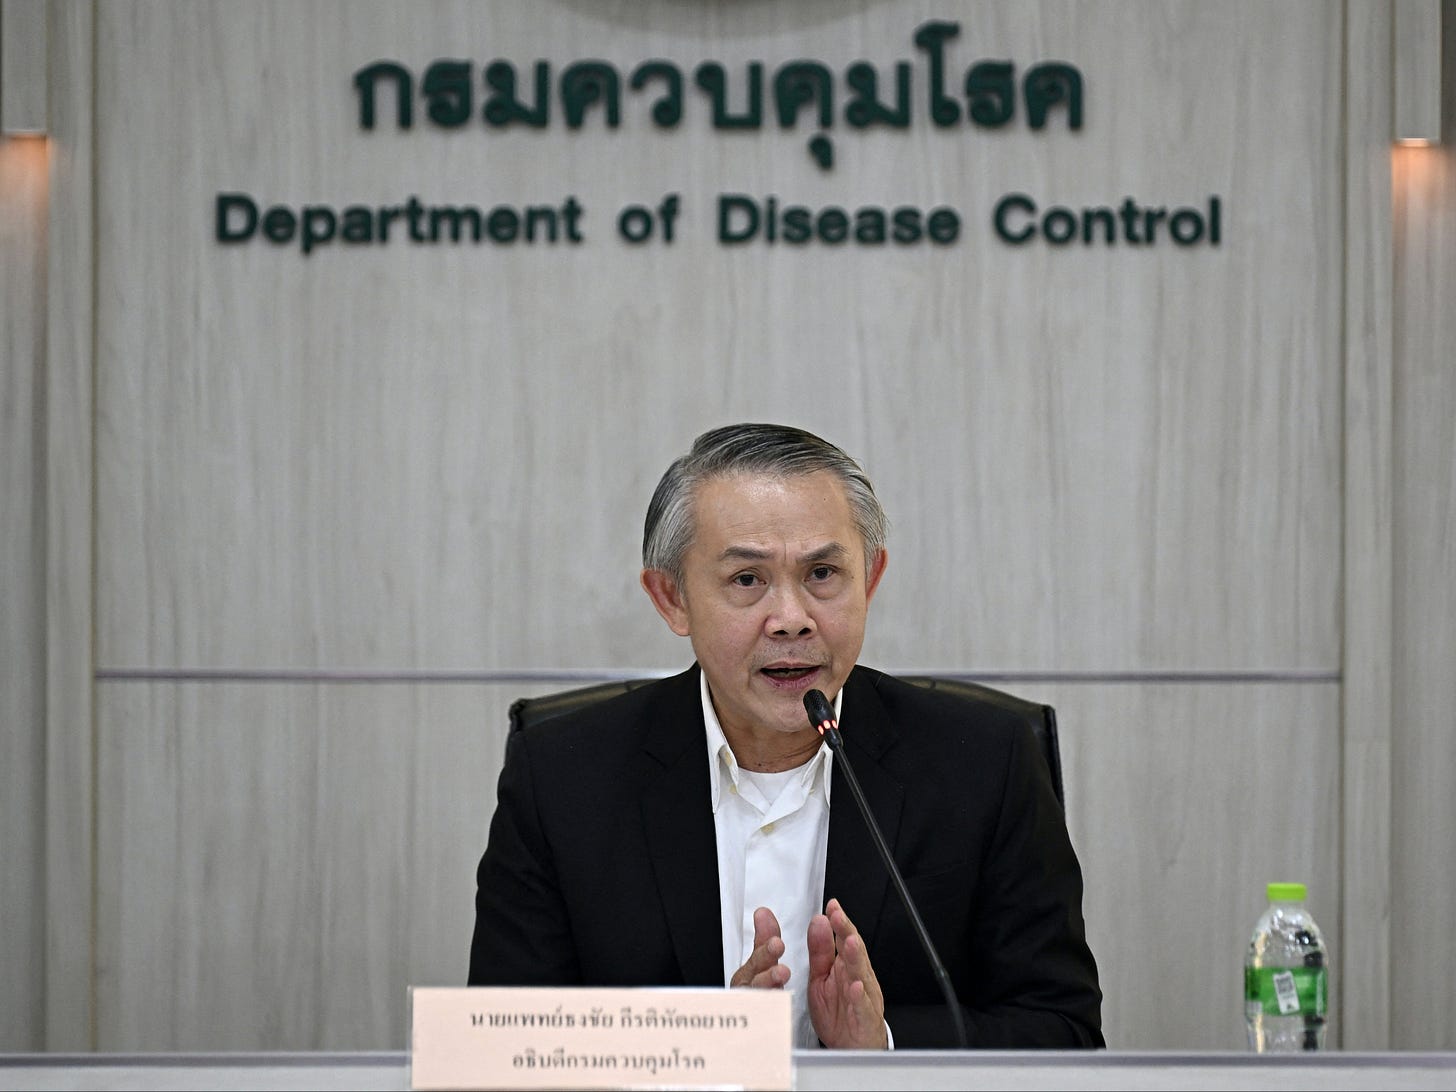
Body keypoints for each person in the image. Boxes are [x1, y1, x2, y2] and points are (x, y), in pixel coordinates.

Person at [469, 423, 1103, 1049]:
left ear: (871, 580)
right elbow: (502, 1053)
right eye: (747, 580)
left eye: (823, 573)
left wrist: (878, 1048)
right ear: (672, 598)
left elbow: (1065, 1033)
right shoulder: (562, 777)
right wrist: (703, 1051)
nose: (793, 620)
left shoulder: (984, 763)